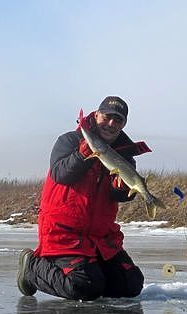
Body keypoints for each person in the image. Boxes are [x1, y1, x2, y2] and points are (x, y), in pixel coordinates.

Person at [17, 96, 152, 301]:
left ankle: (94, 273)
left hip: (101, 238)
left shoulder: (124, 156)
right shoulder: (69, 141)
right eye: (107, 117)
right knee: (83, 286)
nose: (111, 124)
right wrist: (85, 154)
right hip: (63, 234)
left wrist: (121, 188)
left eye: (118, 120)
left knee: (130, 284)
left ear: (123, 124)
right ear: (96, 115)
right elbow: (60, 174)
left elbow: (120, 196)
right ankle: (32, 267)